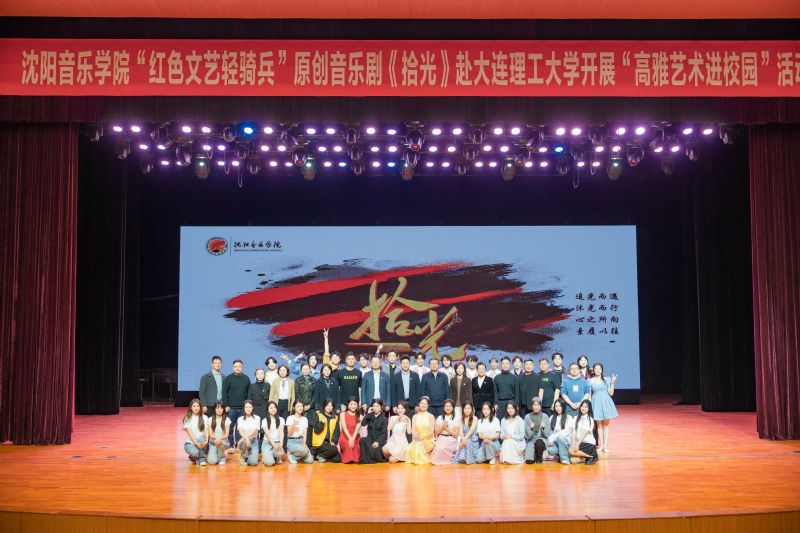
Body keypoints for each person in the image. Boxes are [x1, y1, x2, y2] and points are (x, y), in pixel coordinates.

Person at [588, 363, 619, 453]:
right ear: (593, 370)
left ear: (602, 370)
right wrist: (589, 405)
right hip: (596, 402)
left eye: (599, 368)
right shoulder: (590, 381)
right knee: (599, 425)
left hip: (605, 402)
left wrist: (612, 383)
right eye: (596, 368)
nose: (597, 370)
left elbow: (611, 393)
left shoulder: (607, 379)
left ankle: (605, 446)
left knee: (606, 425)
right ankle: (601, 445)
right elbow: (589, 395)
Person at [222, 359, 251, 450]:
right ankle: (231, 445)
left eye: (239, 366)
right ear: (233, 367)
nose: (238, 368)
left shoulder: (246, 378)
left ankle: (239, 446)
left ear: (242, 367)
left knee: (240, 428)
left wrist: (247, 406)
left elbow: (249, 393)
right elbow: (224, 393)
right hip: (231, 408)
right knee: (230, 428)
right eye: (236, 366)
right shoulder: (228, 378)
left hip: (242, 408)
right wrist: (226, 405)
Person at [566, 399, 599, 465]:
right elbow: (574, 431)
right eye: (582, 406)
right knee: (573, 460)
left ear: (589, 409)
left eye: (586, 407)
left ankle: (590, 456)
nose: (583, 408)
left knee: (570, 450)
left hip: (588, 443)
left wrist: (577, 444)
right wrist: (573, 443)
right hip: (580, 442)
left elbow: (585, 433)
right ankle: (589, 456)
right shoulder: (576, 418)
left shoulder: (590, 419)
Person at [406, 396, 436, 465]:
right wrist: (415, 435)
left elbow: (432, 432)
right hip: (417, 440)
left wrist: (422, 437)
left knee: (418, 447)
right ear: (419, 404)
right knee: (409, 448)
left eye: (425, 404)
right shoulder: (415, 417)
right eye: (422, 403)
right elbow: (413, 430)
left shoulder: (431, 416)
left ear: (428, 405)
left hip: (428, 440)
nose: (423, 405)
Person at [430, 400, 460, 465]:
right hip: (441, 438)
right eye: (446, 406)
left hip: (451, 439)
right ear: (443, 407)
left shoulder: (455, 418)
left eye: (450, 406)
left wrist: (447, 428)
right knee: (438, 448)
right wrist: (442, 427)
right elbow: (436, 433)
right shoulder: (440, 418)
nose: (448, 408)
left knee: (442, 448)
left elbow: (456, 435)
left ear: (453, 408)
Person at [311, 398, 341, 463]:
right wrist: (322, 423)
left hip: (329, 443)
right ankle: (321, 455)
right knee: (334, 450)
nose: (329, 407)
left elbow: (337, 432)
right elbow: (316, 430)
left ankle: (321, 456)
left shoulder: (335, 417)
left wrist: (334, 441)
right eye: (327, 405)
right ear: (324, 406)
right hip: (320, 443)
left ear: (333, 407)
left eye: (331, 406)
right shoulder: (319, 415)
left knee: (338, 459)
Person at [360, 399, 389, 464]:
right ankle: (365, 459)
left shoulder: (384, 419)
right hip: (370, 439)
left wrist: (377, 442)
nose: (375, 408)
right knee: (362, 440)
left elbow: (384, 433)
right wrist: (368, 414)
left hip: (378, 441)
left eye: (377, 406)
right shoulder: (370, 416)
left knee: (375, 451)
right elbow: (363, 424)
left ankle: (371, 457)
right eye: (374, 406)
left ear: (381, 407)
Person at [294, 363, 317, 446]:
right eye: (304, 369)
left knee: (310, 427)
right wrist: (303, 406)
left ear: (309, 369)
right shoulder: (298, 380)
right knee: (300, 427)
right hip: (301, 407)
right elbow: (297, 393)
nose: (306, 370)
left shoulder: (314, 380)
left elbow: (315, 394)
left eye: (307, 369)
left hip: (311, 407)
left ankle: (309, 447)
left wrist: (310, 405)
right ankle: (299, 446)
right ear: (301, 370)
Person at [523, 397, 551, 464]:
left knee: (539, 442)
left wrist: (543, 428)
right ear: (532, 406)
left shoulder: (545, 416)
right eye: (534, 404)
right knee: (529, 461)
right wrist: (531, 428)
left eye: (538, 405)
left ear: (540, 406)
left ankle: (539, 457)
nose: (536, 407)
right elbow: (527, 436)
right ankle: (534, 454)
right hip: (531, 441)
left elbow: (547, 434)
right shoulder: (527, 417)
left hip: (542, 440)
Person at [182, 398, 209, 466]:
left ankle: (201, 459)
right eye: (194, 406)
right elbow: (190, 433)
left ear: (200, 407)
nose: (196, 408)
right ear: (191, 407)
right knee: (194, 453)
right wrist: (196, 443)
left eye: (198, 406)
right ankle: (193, 458)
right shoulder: (187, 418)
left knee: (201, 438)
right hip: (190, 443)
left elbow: (206, 430)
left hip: (201, 441)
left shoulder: (204, 417)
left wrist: (206, 441)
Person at [547, 398, 573, 464]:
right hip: (556, 443)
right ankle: (564, 453)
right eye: (556, 406)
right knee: (550, 450)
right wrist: (550, 440)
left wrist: (553, 438)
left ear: (563, 407)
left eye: (560, 406)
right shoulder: (552, 418)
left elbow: (566, 432)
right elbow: (549, 432)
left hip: (566, 441)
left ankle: (565, 459)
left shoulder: (569, 417)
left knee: (560, 437)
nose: (558, 408)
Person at [453, 400, 479, 464]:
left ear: (472, 409)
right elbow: (460, 431)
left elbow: (471, 430)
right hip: (464, 440)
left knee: (468, 441)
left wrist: (464, 439)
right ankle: (463, 458)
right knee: (465, 442)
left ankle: (467, 459)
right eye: (465, 408)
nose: (467, 410)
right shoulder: (460, 419)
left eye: (469, 408)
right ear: (463, 409)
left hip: (473, 441)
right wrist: (463, 439)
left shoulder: (475, 418)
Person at [338, 397, 363, 464]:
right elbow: (344, 428)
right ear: (348, 405)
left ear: (357, 405)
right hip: (345, 435)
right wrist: (350, 439)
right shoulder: (342, 414)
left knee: (355, 446)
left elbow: (357, 430)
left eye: (355, 404)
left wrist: (352, 439)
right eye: (351, 404)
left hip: (355, 436)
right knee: (347, 445)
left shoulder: (360, 416)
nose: (353, 406)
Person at [236, 400, 261, 466]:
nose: (248, 409)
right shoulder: (240, 419)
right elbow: (240, 431)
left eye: (250, 407)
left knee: (253, 463)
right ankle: (244, 456)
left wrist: (246, 438)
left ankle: (248, 456)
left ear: (252, 408)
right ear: (244, 408)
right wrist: (246, 439)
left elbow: (253, 431)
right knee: (244, 441)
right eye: (246, 407)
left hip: (253, 441)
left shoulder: (257, 418)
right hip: (244, 441)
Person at [261, 401, 285, 467]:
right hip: (267, 443)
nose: (273, 409)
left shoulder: (281, 419)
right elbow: (267, 435)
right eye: (271, 408)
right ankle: (267, 456)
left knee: (280, 452)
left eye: (274, 407)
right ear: (268, 409)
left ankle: (274, 457)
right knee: (269, 463)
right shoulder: (264, 420)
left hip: (277, 442)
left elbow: (281, 432)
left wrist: (281, 443)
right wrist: (273, 445)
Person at [207, 400, 230, 465]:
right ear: (214, 409)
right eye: (217, 408)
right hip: (213, 443)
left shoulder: (227, 419)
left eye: (221, 408)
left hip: (223, 442)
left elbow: (226, 435)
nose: (219, 410)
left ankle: (222, 457)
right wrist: (216, 439)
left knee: (220, 444)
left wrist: (220, 439)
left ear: (223, 409)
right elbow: (211, 434)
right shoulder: (210, 419)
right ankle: (217, 454)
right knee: (212, 462)